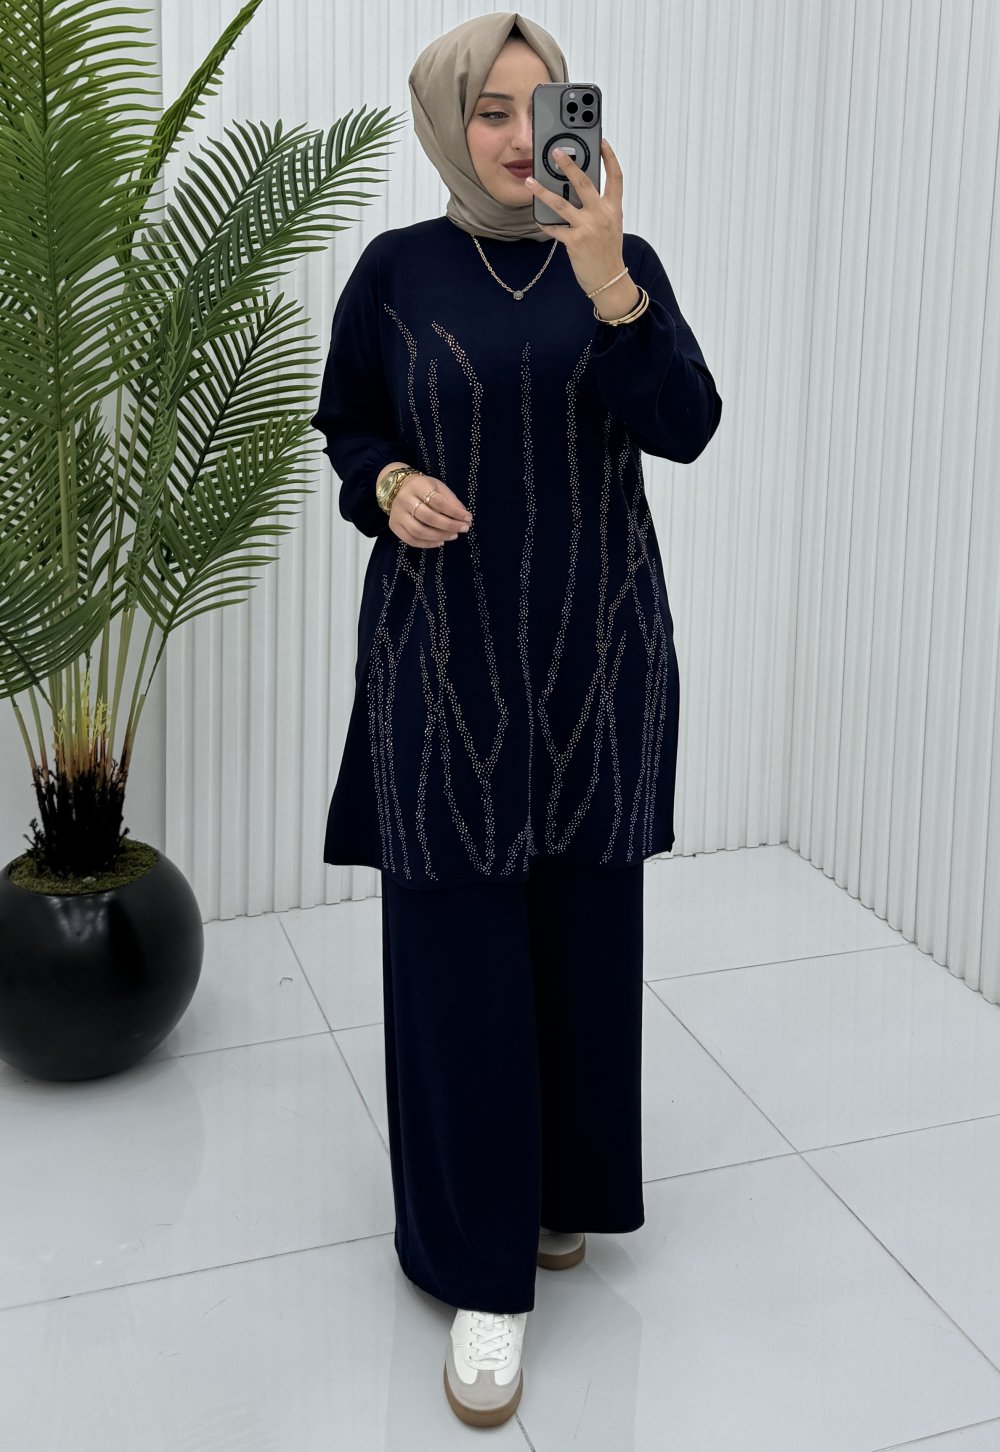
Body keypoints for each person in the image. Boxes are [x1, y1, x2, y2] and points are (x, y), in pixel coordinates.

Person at [310, 11, 722, 1429]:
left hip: (598, 658)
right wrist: (383, 487)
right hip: (444, 663)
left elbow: (685, 426)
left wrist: (611, 284)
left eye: (540, 108)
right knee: (463, 964)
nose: (515, 136)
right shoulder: (394, 270)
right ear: (446, 121)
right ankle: (480, 1274)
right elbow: (348, 426)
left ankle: (557, 1195)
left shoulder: (623, 262)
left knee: (584, 942)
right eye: (488, 109)